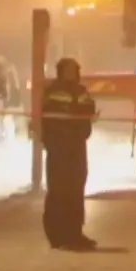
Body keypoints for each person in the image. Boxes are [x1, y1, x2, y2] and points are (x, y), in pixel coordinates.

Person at [41, 57, 98, 250]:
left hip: (76, 147)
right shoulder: (53, 92)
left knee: (76, 190)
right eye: (68, 71)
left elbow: (89, 109)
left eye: (74, 71)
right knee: (59, 191)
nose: (71, 74)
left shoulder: (81, 92)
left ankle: (75, 233)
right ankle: (57, 235)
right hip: (59, 148)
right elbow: (49, 116)